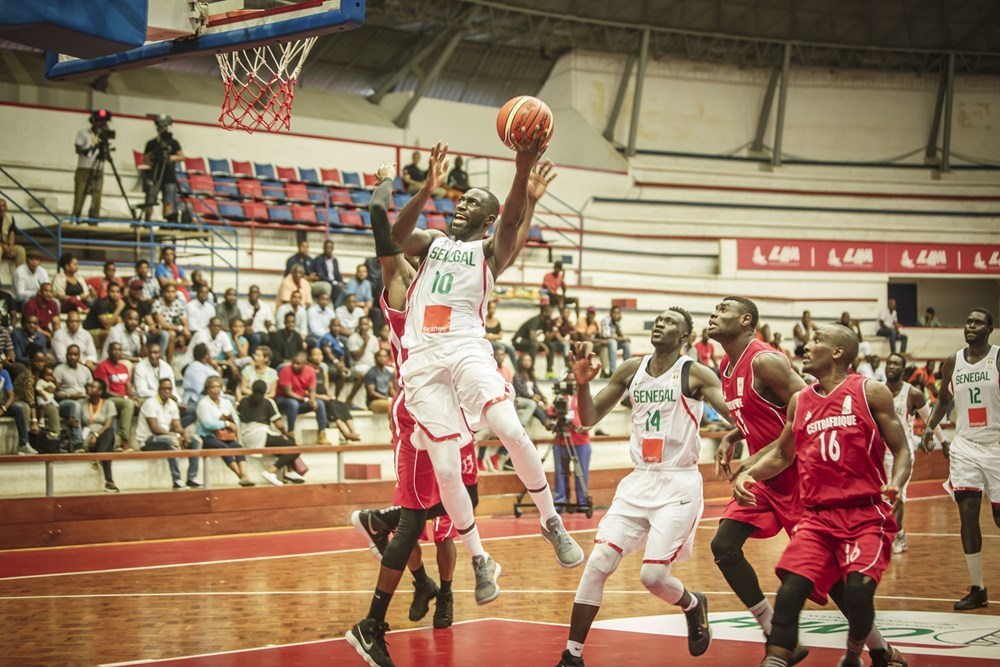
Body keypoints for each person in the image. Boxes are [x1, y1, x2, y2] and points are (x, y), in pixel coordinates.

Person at [390, 141, 579, 591]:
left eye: (473, 202)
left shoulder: (491, 252)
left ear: (488, 219)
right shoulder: (432, 243)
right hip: (422, 364)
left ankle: (551, 521)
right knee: (448, 469)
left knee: (510, 428)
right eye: (460, 199)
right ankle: (478, 556)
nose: (462, 205)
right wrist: (426, 190)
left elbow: (514, 221)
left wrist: (522, 168)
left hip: (466, 348)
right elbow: (396, 236)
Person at [348, 161, 487, 665]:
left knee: (452, 505)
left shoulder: (446, 283)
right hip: (416, 411)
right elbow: (381, 222)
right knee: (414, 520)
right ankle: (371, 623)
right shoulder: (403, 286)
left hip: (451, 412)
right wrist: (404, 186)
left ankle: (420, 574)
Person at [732, 323, 912, 667]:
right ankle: (777, 659)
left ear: (838, 352)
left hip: (864, 514)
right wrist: (748, 474)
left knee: (858, 593)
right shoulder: (800, 401)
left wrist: (898, 482)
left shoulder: (870, 392)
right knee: (790, 591)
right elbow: (783, 455)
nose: (806, 345)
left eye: (816, 340)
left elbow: (902, 449)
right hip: (817, 518)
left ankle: (859, 652)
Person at [556, 308, 726, 667]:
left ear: (684, 338)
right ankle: (572, 656)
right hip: (638, 480)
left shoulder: (694, 373)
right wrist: (582, 383)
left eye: (671, 322)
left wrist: (740, 432)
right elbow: (587, 419)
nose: (661, 323)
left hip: (678, 482)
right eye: (659, 319)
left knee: (652, 577)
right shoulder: (631, 369)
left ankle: (693, 604)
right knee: (598, 560)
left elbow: (735, 412)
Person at [707, 297, 811, 659]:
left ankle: (881, 650)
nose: (713, 314)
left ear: (745, 320)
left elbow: (806, 406)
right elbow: (760, 410)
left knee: (830, 574)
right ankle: (773, 632)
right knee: (724, 546)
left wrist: (758, 456)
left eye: (723, 310)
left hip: (797, 475)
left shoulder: (764, 360)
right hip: (763, 477)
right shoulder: (726, 364)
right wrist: (734, 435)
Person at [921, 308, 999, 611]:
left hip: (997, 445)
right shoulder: (953, 361)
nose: (971, 326)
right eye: (968, 321)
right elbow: (943, 398)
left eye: (978, 323)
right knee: (967, 514)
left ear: (989, 329)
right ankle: (978, 588)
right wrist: (930, 427)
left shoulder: (998, 358)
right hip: (966, 446)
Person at [883, 352, 945, 554]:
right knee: (882, 498)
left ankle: (897, 535)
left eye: (896, 364)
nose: (891, 366)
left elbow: (931, 419)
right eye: (889, 363)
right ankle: (892, 532)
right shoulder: (876, 391)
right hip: (879, 453)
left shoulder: (913, 394)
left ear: (903, 370)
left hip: (902, 453)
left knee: (896, 495)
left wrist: (943, 442)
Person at [238, 380, 305, 487]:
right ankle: (270, 472)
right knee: (293, 448)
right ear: (265, 391)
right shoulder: (267, 402)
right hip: (260, 435)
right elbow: (279, 425)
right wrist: (285, 433)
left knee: (288, 443)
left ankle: (290, 471)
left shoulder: (243, 401)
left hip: (245, 436)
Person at [138, 378, 201, 489]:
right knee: (172, 441)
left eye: (169, 389)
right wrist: (174, 435)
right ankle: (176, 479)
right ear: (159, 389)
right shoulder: (150, 403)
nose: (167, 391)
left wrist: (184, 433)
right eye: (164, 389)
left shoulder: (172, 404)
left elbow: (177, 426)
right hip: (148, 440)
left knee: (196, 440)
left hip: (165, 437)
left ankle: (192, 477)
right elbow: (155, 429)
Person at [196, 376, 253, 486]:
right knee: (223, 448)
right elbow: (208, 424)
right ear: (207, 389)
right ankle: (240, 476)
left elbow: (235, 418)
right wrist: (226, 424)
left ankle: (245, 475)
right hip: (208, 436)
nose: (216, 390)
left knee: (238, 448)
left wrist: (233, 425)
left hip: (225, 435)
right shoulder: (203, 403)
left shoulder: (226, 402)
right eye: (213, 387)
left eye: (218, 387)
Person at [276, 351, 329, 445]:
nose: (295, 365)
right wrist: (305, 400)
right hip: (283, 400)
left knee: (320, 403)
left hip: (301, 401)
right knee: (293, 403)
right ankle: (290, 434)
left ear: (305, 363)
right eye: (293, 363)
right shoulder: (286, 370)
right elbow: (288, 392)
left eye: (298, 364)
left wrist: (312, 400)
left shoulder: (310, 371)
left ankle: (321, 434)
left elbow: (312, 390)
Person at [551, 392, 590, 513]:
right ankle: (560, 502)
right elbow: (550, 416)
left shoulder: (584, 396)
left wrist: (589, 426)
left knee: (581, 472)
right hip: (560, 441)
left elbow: (593, 416)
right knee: (560, 473)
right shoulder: (558, 398)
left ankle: (582, 503)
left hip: (581, 441)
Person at [93, 342, 136, 449]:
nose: (117, 352)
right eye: (114, 350)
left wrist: (133, 396)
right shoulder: (103, 366)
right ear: (108, 351)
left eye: (119, 350)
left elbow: (128, 385)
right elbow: (105, 391)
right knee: (128, 404)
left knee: (139, 402)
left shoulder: (124, 367)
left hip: (123, 398)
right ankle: (124, 439)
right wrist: (124, 397)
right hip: (109, 398)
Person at [142, 114, 184, 222]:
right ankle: (147, 221)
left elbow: (181, 156)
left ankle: (167, 224)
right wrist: (154, 160)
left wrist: (169, 157)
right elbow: (145, 159)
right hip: (154, 176)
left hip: (169, 176)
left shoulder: (173, 143)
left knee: (168, 202)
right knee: (150, 200)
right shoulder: (151, 143)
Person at [80, 378, 119, 493]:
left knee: (109, 432)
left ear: (100, 391)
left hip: (102, 435)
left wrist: (96, 435)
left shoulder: (108, 404)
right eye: (89, 386)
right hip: (87, 437)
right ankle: (109, 481)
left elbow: (107, 425)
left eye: (93, 387)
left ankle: (97, 458)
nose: (89, 388)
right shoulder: (81, 404)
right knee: (107, 450)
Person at [72, 109, 110, 220]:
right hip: (84, 168)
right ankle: (75, 217)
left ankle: (94, 219)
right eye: (100, 121)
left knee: (97, 196)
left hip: (99, 169)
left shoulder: (104, 135)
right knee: (80, 195)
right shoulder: (83, 133)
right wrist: (90, 149)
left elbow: (106, 152)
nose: (102, 124)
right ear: (93, 121)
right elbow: (78, 149)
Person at [54, 344, 91, 451]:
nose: (72, 357)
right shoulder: (59, 369)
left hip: (84, 401)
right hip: (66, 402)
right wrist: (72, 396)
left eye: (75, 354)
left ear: (79, 356)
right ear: (66, 355)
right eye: (70, 354)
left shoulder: (85, 370)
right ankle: (77, 443)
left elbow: (90, 389)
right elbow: (55, 394)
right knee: (75, 405)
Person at [513, 301, 555, 376]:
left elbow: (547, 339)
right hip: (519, 341)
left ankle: (549, 371)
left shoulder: (546, 322)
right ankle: (531, 371)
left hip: (531, 342)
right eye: (550, 312)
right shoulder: (535, 320)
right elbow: (532, 338)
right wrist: (543, 346)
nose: (551, 315)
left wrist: (554, 329)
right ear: (544, 312)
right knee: (534, 345)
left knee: (551, 346)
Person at [181, 343, 219, 425]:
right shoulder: (194, 367)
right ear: (206, 355)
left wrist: (216, 367)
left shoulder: (207, 366)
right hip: (194, 400)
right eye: (209, 353)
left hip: (208, 398)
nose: (211, 355)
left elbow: (218, 381)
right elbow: (202, 390)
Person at [153, 283, 191, 362]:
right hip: (159, 331)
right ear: (163, 293)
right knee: (171, 334)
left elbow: (185, 323)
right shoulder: (157, 303)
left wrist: (184, 333)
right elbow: (162, 325)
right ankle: (168, 363)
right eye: (168, 292)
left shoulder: (178, 304)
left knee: (187, 334)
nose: (170, 294)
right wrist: (181, 328)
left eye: (173, 292)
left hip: (175, 331)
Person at [346, 316, 379, 407]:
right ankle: (349, 399)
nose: (363, 327)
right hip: (357, 366)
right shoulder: (353, 338)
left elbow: (377, 355)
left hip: (371, 366)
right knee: (364, 374)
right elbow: (356, 357)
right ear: (358, 325)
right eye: (362, 324)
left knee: (391, 372)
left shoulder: (374, 338)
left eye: (366, 324)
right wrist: (365, 343)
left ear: (369, 326)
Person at [239, 284, 274, 351]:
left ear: (259, 295)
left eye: (256, 292)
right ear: (248, 294)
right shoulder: (242, 306)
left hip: (263, 332)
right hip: (250, 332)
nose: (253, 294)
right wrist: (254, 313)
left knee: (274, 338)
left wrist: (269, 325)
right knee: (256, 339)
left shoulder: (265, 306)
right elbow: (243, 324)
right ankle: (253, 357)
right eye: (252, 292)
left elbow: (268, 322)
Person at [599, 305, 630, 374]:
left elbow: (620, 335)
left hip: (613, 342)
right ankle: (613, 371)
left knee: (626, 344)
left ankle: (628, 369)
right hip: (604, 342)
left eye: (619, 313)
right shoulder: (606, 320)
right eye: (615, 313)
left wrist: (618, 327)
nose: (617, 315)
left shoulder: (617, 322)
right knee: (613, 342)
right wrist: (623, 339)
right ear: (611, 313)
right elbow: (606, 336)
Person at [364, 349, 395, 413]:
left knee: (399, 405)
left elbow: (391, 390)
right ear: (375, 358)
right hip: (373, 401)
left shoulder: (388, 373)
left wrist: (398, 398)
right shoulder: (371, 373)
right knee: (391, 405)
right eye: (380, 356)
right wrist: (386, 398)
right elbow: (371, 392)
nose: (382, 358)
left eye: (384, 356)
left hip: (386, 400)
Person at [0, 198, 26, 271]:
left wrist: (10, 247)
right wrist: (3, 246)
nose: (1, 208)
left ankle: (21, 275)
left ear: (6, 208)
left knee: (21, 250)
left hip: (5, 246)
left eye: (3, 206)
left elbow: (12, 233)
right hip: (1, 247)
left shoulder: (10, 218)